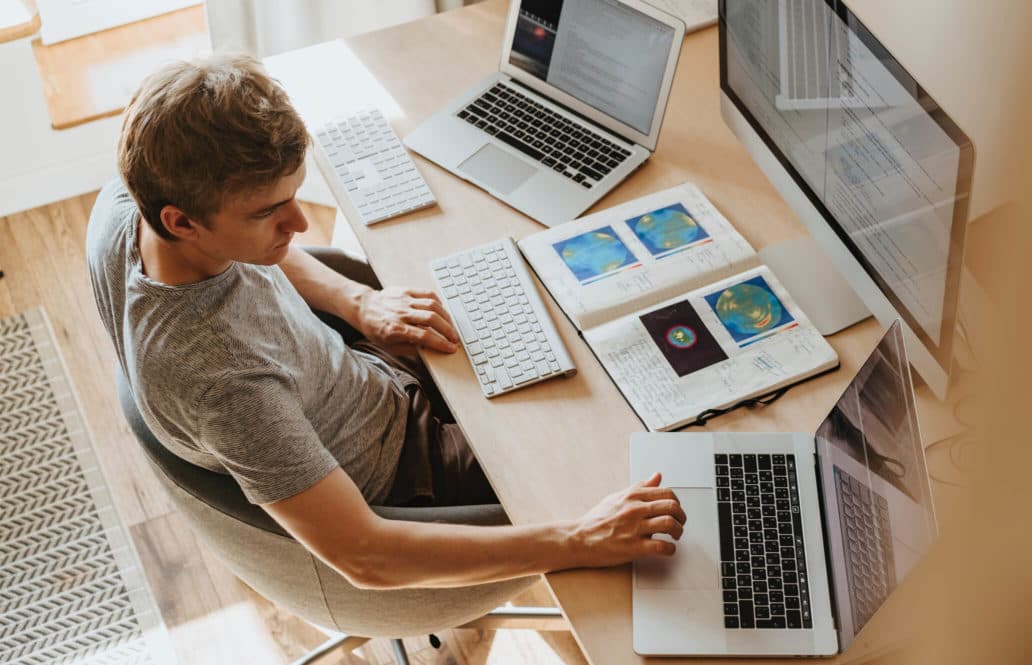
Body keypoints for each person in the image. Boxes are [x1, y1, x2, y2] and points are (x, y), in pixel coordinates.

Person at [87, 53, 684, 590]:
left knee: (565, 320)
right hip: (407, 475)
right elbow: (366, 556)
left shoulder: (133, 200)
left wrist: (357, 304)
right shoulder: (224, 384)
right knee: (634, 458)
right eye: (270, 212)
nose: (298, 224)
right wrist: (577, 542)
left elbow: (265, 251)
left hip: (362, 377)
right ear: (182, 221)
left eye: (295, 195)